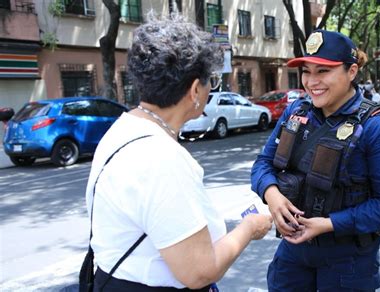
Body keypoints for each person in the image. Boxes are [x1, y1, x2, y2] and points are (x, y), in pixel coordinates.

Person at [85, 12, 273, 291]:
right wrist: (249, 229)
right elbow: (199, 271)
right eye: (211, 81)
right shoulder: (161, 158)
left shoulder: (124, 128)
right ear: (195, 90)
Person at [251, 29, 380, 291]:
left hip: (347, 262)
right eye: (307, 71)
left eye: (323, 71)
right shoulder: (296, 111)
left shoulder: (375, 126)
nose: (312, 82)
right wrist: (272, 195)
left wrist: (329, 224)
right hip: (293, 254)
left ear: (352, 72)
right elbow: (263, 163)